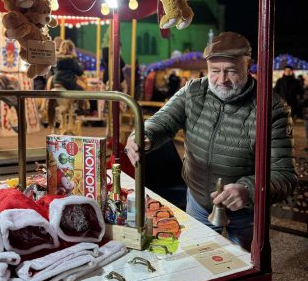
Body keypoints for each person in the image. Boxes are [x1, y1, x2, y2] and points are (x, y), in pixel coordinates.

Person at [125, 32, 297, 251]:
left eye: (232, 71)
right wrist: (142, 135)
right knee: (197, 259)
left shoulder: (272, 108)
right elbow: (163, 121)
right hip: (197, 199)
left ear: (249, 64)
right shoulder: (194, 91)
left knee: (245, 267)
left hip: (246, 211)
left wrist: (249, 190)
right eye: (214, 71)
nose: (222, 79)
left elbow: (285, 175)